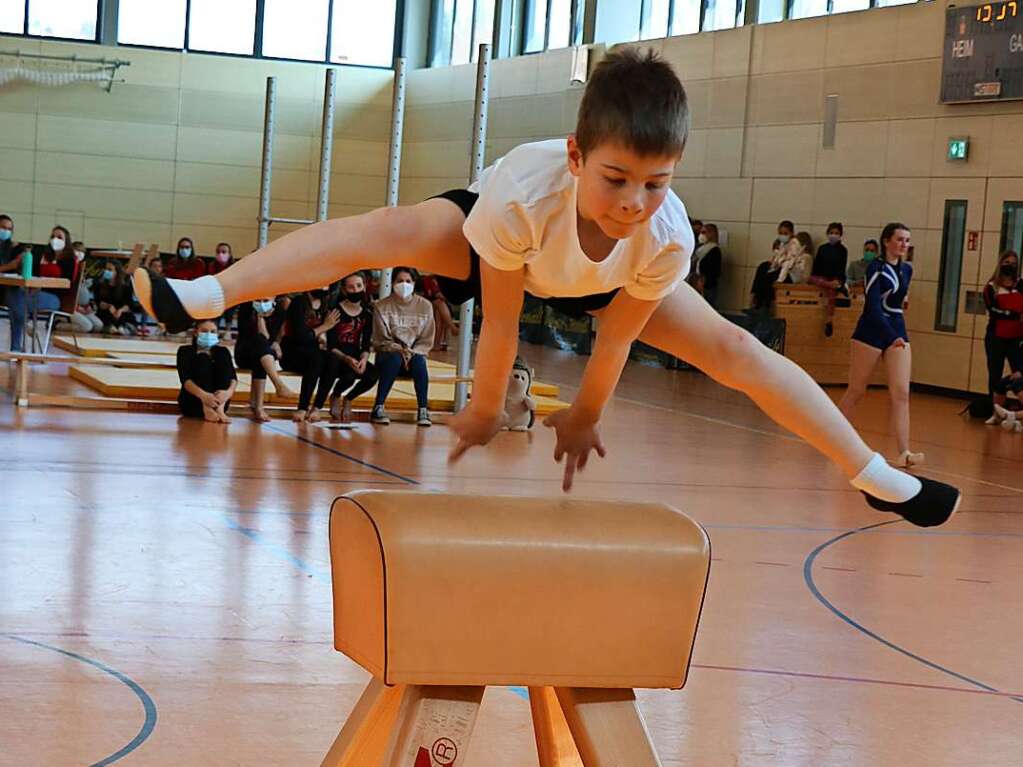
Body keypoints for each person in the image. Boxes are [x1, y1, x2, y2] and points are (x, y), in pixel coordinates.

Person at [133, 48, 959, 526]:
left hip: (607, 287)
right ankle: (209, 292)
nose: (633, 202)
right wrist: (486, 407)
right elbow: (500, 319)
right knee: (387, 229)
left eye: (656, 182)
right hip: (503, 248)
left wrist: (586, 414)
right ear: (574, 156)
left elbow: (618, 336)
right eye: (615, 179)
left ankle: (870, 472)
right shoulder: (527, 189)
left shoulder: (660, 234)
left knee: (734, 348)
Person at [839, 223, 924, 468]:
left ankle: (904, 452)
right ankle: (833, 439)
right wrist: (889, 334)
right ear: (886, 241)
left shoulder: (907, 270)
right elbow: (873, 307)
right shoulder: (875, 268)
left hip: (897, 329)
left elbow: (899, 304)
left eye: (907, 240)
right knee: (856, 390)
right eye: (899, 239)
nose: (904, 245)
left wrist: (897, 335)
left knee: (901, 393)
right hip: (872, 329)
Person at [297, 272, 379, 425]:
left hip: (355, 355)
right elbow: (331, 345)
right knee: (347, 373)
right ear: (344, 289)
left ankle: (348, 398)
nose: (355, 290)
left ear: (364, 286)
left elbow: (366, 343)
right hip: (337, 355)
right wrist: (347, 359)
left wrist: (363, 358)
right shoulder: (335, 310)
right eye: (351, 287)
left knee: (373, 374)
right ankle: (333, 396)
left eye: (359, 286)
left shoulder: (367, 314)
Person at [370, 267, 435, 427]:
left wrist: (411, 352)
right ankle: (378, 407)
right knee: (394, 359)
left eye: (408, 281)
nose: (404, 284)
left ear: (414, 283)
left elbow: (426, 339)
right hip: (389, 355)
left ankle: (423, 409)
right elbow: (380, 340)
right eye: (400, 281)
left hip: (414, 356)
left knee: (420, 362)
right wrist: (399, 350)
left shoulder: (425, 306)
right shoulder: (381, 306)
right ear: (392, 283)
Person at [234, 297, 295, 422]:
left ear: (273, 299)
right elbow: (251, 337)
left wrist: (273, 342)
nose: (261, 304)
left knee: (261, 352)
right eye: (258, 300)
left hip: (261, 355)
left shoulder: (279, 312)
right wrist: (259, 318)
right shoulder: (246, 308)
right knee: (260, 345)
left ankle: (257, 406)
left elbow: (269, 338)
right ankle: (278, 385)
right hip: (243, 353)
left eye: (265, 300)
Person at [981, 251, 1022, 425]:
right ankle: (996, 412)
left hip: (1017, 338)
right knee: (995, 374)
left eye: (1013, 263)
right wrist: (1012, 315)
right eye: (1007, 262)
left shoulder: (1021, 285)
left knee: (1019, 374)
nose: (1010, 266)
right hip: (996, 337)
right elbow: (992, 310)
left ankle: (1018, 413)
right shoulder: (991, 287)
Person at [176, 320, 237, 422]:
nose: (209, 334)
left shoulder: (222, 351)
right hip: (194, 402)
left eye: (213, 332)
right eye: (204, 331)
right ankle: (207, 408)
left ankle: (220, 410)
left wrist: (228, 393)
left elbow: (233, 377)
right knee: (202, 358)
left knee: (221, 355)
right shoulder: (185, 351)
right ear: (196, 333)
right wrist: (204, 397)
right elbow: (185, 380)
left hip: (220, 401)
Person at [809, 222, 849, 337]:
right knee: (811, 278)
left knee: (832, 292)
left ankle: (829, 321)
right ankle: (830, 284)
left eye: (836, 233)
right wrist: (826, 282)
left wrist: (837, 281)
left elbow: (841, 268)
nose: (833, 235)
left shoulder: (842, 250)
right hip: (823, 278)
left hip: (835, 278)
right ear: (827, 234)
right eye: (831, 233)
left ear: (840, 235)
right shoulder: (822, 248)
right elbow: (816, 268)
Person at [750, 220, 796, 311]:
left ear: (791, 233)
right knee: (763, 267)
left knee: (772, 276)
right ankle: (756, 298)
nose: (783, 235)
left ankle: (764, 303)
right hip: (779, 269)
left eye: (785, 233)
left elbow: (789, 263)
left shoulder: (794, 245)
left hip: (790, 273)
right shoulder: (780, 244)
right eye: (780, 233)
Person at [94, 260, 136, 335]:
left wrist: (120, 310)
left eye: (110, 270)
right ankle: (111, 328)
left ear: (117, 272)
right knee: (106, 316)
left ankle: (122, 328)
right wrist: (108, 306)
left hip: (122, 313)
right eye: (106, 269)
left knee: (125, 318)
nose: (107, 271)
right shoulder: (99, 285)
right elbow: (98, 302)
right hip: (106, 313)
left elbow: (129, 304)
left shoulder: (125, 287)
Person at [420, 273, 459, 351]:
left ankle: (436, 344)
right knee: (438, 303)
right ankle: (453, 328)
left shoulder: (444, 279)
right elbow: (431, 295)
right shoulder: (427, 279)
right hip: (429, 303)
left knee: (439, 312)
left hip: (441, 305)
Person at [690, 222, 722, 309]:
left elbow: (713, 270)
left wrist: (703, 279)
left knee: (707, 306)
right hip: (696, 280)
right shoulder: (700, 248)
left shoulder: (714, 250)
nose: (701, 235)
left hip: (707, 284)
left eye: (704, 232)